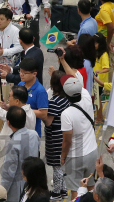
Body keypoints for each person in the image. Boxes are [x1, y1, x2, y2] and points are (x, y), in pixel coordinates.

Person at [60, 75, 97, 201]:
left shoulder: (66, 114)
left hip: (75, 156)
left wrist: (63, 156)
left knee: (76, 191)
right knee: (92, 187)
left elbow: (67, 140)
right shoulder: (86, 97)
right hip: (92, 151)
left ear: (66, 94)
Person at [0, 81, 36, 149]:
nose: (8, 99)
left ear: (17, 101)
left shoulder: (18, 115)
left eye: (10, 96)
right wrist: (7, 107)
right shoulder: (30, 112)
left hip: (13, 150)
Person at [1, 106, 40, 202]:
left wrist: (2, 192)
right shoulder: (34, 134)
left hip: (18, 188)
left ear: (8, 123)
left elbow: (9, 172)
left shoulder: (13, 143)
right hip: (34, 183)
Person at [43, 70, 70, 200]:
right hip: (63, 136)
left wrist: (41, 115)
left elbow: (49, 122)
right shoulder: (66, 98)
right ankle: (64, 190)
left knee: (57, 167)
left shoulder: (54, 102)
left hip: (55, 138)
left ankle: (56, 193)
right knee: (61, 165)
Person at [16, 58, 48, 138]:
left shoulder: (40, 91)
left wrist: (23, 109)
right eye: (20, 71)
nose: (21, 74)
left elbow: (43, 114)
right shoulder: (20, 84)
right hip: (18, 130)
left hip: (32, 133)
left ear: (34, 74)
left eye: (25, 73)